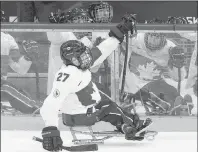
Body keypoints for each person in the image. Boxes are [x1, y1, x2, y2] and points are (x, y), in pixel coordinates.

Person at [40, 14, 152, 152]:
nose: (87, 57)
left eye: (85, 54)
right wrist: (50, 130)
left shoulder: (79, 63)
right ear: (73, 60)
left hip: (81, 108)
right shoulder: (68, 75)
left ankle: (126, 124)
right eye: (83, 56)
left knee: (103, 97)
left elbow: (102, 50)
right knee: (109, 107)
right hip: (79, 115)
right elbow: (50, 104)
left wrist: (118, 34)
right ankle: (130, 127)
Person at [1, 10, 40, 114]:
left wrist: (28, 57)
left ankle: (34, 108)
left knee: (9, 88)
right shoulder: (6, 39)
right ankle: (33, 108)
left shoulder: (7, 39)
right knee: (7, 88)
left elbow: (20, 69)